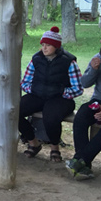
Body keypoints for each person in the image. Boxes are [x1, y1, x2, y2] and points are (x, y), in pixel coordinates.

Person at [66, 26, 101, 180]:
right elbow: (84, 83)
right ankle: (85, 166)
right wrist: (93, 69)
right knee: (81, 117)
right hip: (98, 100)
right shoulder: (100, 57)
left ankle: (81, 160)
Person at [19, 27, 83, 163]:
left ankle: (55, 147)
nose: (44, 48)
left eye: (48, 45)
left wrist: (62, 92)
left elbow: (78, 88)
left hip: (61, 98)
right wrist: (34, 89)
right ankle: (33, 142)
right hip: (38, 95)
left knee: (51, 117)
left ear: (56, 46)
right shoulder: (36, 59)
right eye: (42, 45)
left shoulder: (69, 61)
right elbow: (25, 82)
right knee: (13, 110)